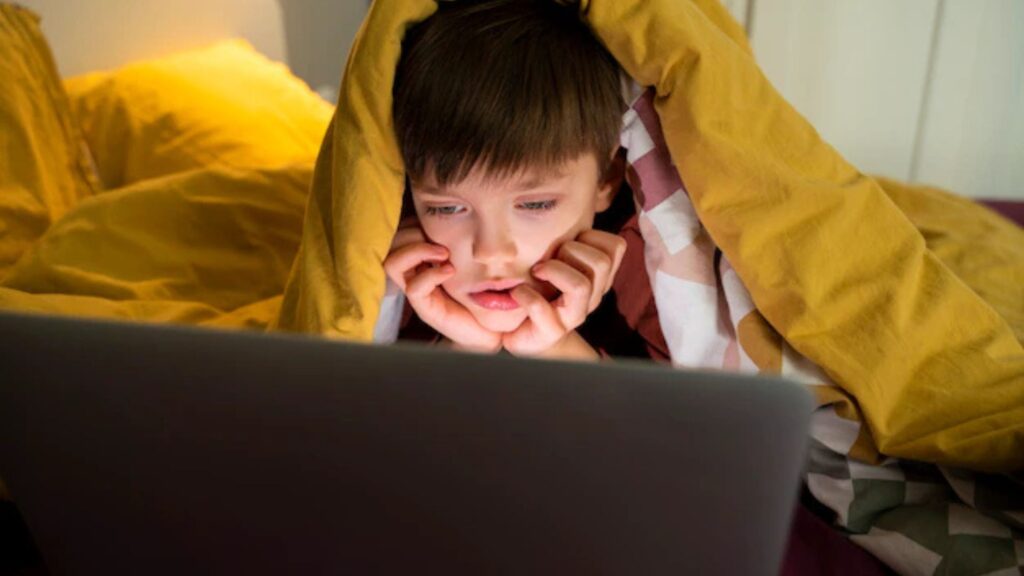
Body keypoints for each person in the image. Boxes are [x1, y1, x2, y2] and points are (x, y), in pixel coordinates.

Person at [383, 0, 645, 362]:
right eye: (446, 207)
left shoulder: (661, 280)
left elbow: (681, 417)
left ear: (607, 178)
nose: (491, 252)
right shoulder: (396, 279)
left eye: (535, 204)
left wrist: (556, 348)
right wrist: (463, 346)